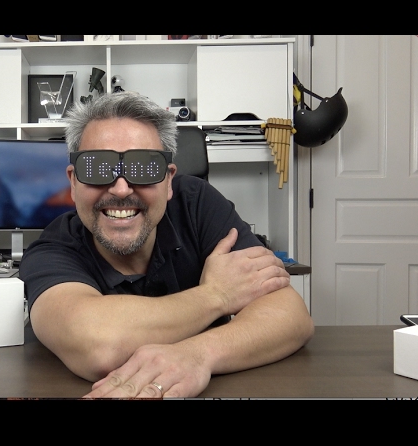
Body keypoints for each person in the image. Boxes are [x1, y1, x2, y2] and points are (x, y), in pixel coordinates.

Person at [19, 91, 314, 398]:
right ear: (73, 182)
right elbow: (100, 344)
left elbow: (292, 316)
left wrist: (199, 354)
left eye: (144, 168)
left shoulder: (197, 205)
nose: (121, 189)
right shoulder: (52, 249)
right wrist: (218, 294)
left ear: (169, 180)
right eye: (97, 168)